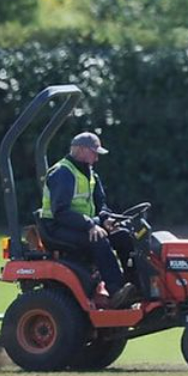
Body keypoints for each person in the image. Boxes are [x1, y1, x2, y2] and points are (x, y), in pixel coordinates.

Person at [39, 131, 137, 309]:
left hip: (81, 224)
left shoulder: (90, 174)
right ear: (81, 150)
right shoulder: (63, 173)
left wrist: (106, 219)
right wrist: (89, 225)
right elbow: (60, 211)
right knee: (98, 240)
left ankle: (133, 285)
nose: (96, 158)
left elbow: (101, 205)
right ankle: (116, 291)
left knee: (123, 235)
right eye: (94, 153)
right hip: (58, 228)